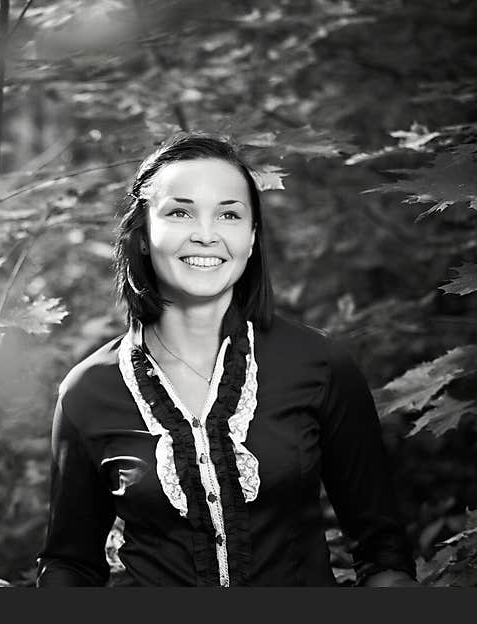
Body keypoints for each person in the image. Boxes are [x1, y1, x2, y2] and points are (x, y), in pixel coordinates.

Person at [35, 132, 419, 587]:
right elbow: (69, 565)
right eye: (179, 212)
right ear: (142, 234)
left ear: (252, 238)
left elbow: (383, 556)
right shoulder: (88, 391)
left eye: (229, 214)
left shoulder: (319, 365)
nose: (206, 234)